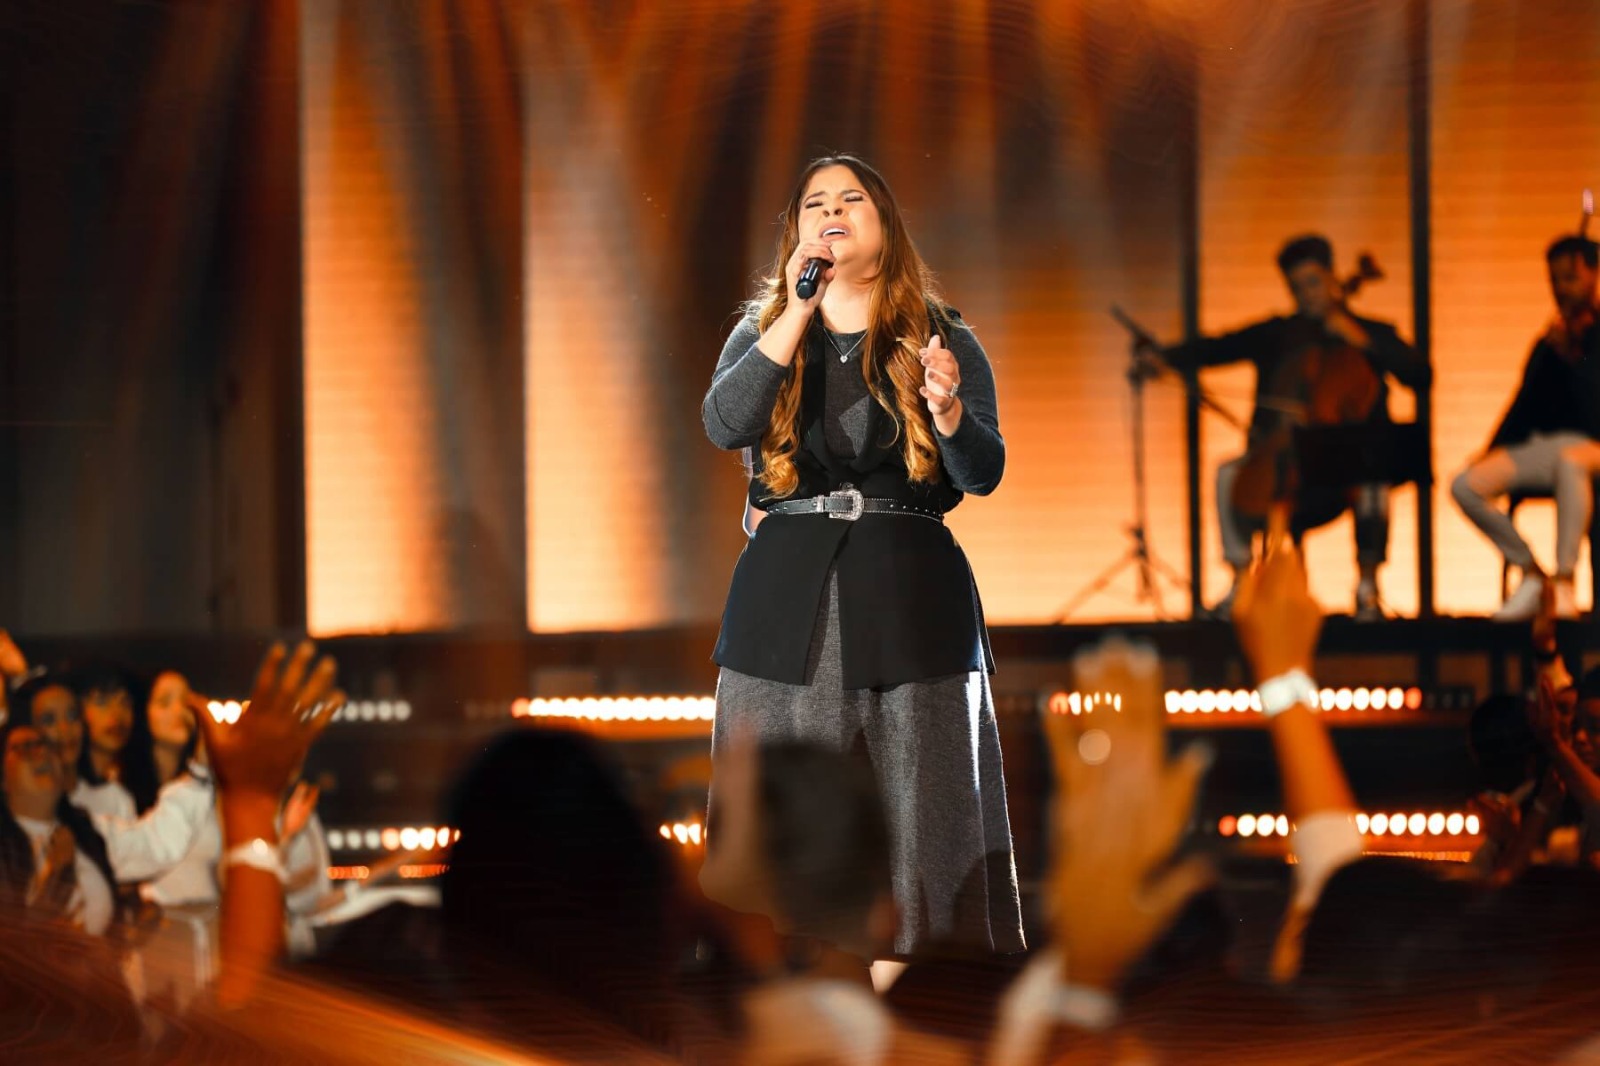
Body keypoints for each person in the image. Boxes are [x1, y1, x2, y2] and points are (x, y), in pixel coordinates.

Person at [701, 153, 1023, 957]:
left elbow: (983, 472)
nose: (831, 213)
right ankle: (779, 995)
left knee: (927, 818)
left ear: (887, 227)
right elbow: (723, 423)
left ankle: (933, 992)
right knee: (785, 823)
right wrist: (795, 314)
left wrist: (949, 413)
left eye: (852, 200)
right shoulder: (764, 330)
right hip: (788, 606)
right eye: (815, 204)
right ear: (796, 233)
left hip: (911, 598)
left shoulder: (943, 335)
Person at [1138, 235, 1429, 620]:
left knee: (1375, 481)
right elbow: (1217, 347)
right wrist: (1165, 358)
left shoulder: (1371, 332)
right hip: (1286, 465)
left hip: (1345, 470)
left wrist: (1361, 340)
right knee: (1228, 475)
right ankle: (1240, 581)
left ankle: (1368, 587)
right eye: (1297, 288)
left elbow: (1420, 375)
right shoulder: (1279, 334)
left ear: (1332, 279)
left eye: (1313, 283)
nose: (1306, 295)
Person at [1451, 234, 1600, 620]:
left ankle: (1565, 580)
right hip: (1551, 446)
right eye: (1554, 280)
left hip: (1592, 447)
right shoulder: (1550, 342)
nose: (1561, 289)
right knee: (1465, 485)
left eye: (1570, 278)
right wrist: (1494, 448)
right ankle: (1532, 573)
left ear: (1594, 275)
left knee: (1571, 461)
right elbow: (1524, 403)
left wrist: (1574, 357)